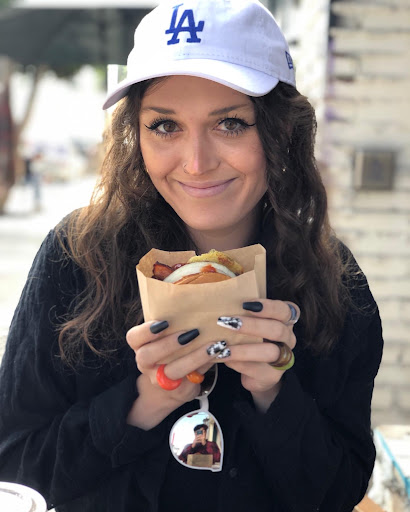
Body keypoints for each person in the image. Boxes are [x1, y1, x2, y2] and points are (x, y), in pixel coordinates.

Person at [0, 1, 383, 511]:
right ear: (135, 134)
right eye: (165, 126)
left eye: (231, 124)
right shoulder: (77, 256)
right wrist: (144, 402)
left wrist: (273, 393)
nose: (197, 163)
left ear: (282, 130)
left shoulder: (333, 278)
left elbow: (340, 492)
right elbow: (16, 467)